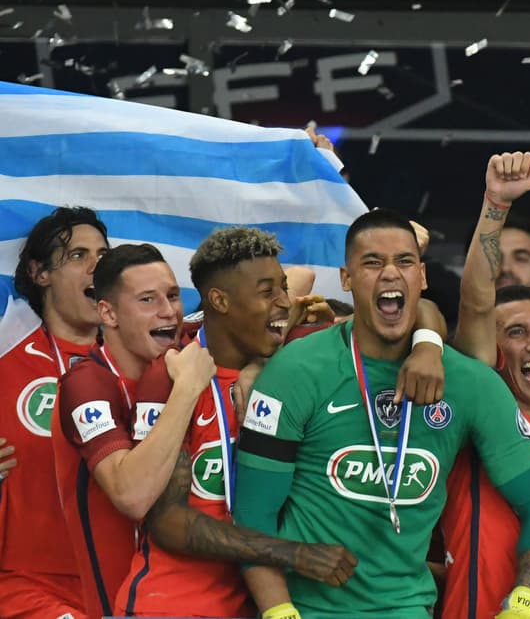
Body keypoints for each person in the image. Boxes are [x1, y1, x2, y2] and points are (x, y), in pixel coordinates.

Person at [233, 208, 530, 619]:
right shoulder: (296, 370)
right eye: (372, 262)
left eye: (405, 262)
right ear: (346, 278)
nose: (391, 273)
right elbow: (253, 512)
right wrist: (278, 610)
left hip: (405, 609)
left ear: (422, 278)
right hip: (308, 607)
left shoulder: (470, 384)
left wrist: (527, 602)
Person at [115, 227, 358, 617]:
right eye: (267, 292)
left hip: (263, 604)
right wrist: (290, 553)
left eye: (283, 289)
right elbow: (168, 522)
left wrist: (263, 361)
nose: (283, 302)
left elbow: (413, 321)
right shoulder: (175, 376)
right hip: (174, 606)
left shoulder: (292, 366)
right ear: (220, 301)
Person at [441, 151, 530, 619]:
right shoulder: (481, 410)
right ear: (494, 351)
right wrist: (496, 206)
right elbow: (477, 303)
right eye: (515, 332)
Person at [50, 244, 215, 619]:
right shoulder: (86, 384)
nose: (168, 311)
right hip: (119, 609)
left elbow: (284, 285)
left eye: (173, 296)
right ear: (107, 312)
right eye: (147, 300)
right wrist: (186, 390)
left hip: (193, 603)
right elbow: (132, 495)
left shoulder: (185, 344)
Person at [0, 207, 109, 619]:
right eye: (79, 256)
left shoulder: (139, 360)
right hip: (24, 580)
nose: (98, 265)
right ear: (39, 272)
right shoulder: (7, 352)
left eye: (103, 253)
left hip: (119, 579)